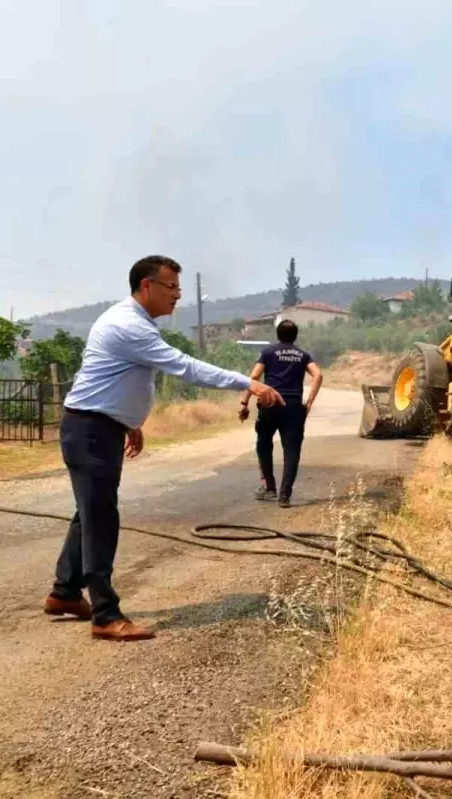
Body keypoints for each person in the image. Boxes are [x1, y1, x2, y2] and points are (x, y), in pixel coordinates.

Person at [45, 255, 284, 642]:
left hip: (96, 426)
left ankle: (65, 592)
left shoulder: (134, 323)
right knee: (100, 518)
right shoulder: (129, 326)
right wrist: (248, 383)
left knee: (90, 511)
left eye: (178, 289)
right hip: (89, 430)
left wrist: (129, 422)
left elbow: (120, 378)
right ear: (146, 287)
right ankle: (105, 614)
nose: (176, 296)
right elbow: (185, 367)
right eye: (170, 287)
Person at [238, 319, 322, 508]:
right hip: (293, 407)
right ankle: (285, 496)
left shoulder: (268, 352)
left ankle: (269, 488)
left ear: (278, 335)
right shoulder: (303, 355)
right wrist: (308, 403)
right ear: (295, 335)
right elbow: (318, 375)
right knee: (291, 451)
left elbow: (254, 377)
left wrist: (245, 403)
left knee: (263, 445)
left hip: (269, 403)